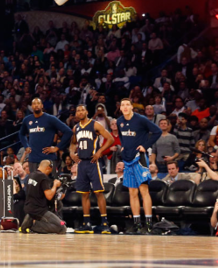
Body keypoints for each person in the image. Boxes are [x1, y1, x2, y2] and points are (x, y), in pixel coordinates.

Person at [117, 98, 161, 234]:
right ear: (120, 108)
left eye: (127, 104)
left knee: (144, 191)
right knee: (132, 192)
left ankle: (148, 224)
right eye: (122, 105)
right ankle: (136, 224)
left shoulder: (140, 119)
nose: (125, 107)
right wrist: (123, 147)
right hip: (127, 159)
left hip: (139, 158)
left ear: (132, 107)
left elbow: (157, 131)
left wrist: (145, 146)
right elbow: (121, 136)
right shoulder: (119, 121)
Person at [71, 105, 114, 234]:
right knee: (84, 194)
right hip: (82, 164)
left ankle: (105, 222)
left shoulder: (95, 124)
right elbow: (73, 143)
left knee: (98, 192)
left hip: (93, 162)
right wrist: (72, 153)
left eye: (82, 110)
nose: (80, 112)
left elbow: (110, 139)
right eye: (78, 110)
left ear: (87, 112)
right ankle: (87, 223)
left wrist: (100, 151)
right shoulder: (76, 128)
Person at [19, 98, 72, 172]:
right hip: (33, 159)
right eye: (34, 103)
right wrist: (26, 146)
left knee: (50, 183)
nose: (36, 105)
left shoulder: (50, 119)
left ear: (42, 106)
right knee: (33, 183)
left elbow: (68, 131)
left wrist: (57, 147)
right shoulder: (27, 120)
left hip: (48, 158)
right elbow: (21, 134)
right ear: (31, 106)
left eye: (38, 103)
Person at [21, 160, 67, 234]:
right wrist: (55, 185)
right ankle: (33, 225)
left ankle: (29, 220)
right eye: (50, 170)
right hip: (40, 210)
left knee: (57, 210)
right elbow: (49, 196)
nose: (50, 172)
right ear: (48, 168)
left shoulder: (32, 175)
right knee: (62, 228)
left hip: (29, 207)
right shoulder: (43, 177)